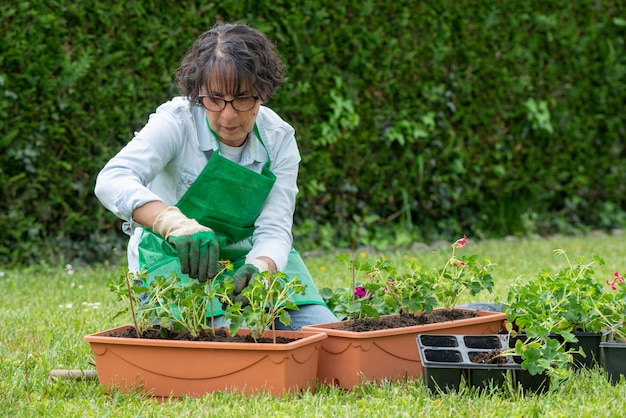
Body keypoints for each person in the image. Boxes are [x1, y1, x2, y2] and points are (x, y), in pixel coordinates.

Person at [94, 22, 337, 329]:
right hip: (172, 262)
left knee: (324, 334)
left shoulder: (278, 138)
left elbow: (275, 228)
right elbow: (112, 178)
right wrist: (173, 223)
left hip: (245, 261)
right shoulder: (177, 121)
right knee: (236, 339)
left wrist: (260, 267)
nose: (228, 115)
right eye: (215, 98)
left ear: (263, 92)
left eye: (243, 98)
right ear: (198, 92)